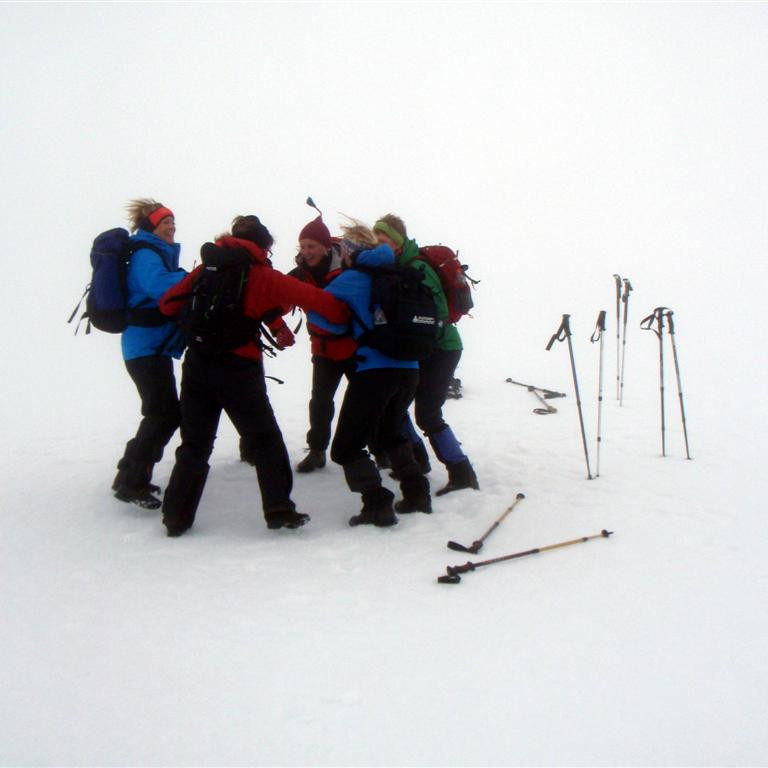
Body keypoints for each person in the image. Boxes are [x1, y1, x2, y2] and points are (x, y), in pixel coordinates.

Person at [157, 215, 351, 537]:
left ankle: (176, 516)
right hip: (238, 370)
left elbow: (167, 304)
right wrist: (348, 315)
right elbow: (322, 303)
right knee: (266, 441)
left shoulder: (205, 270)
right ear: (263, 246)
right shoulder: (262, 275)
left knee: (194, 444)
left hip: (197, 366)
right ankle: (278, 510)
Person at [307, 224, 430, 527]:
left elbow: (320, 319)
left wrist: (349, 320)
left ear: (350, 251)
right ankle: (417, 494)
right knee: (390, 434)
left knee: (346, 446)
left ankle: (377, 503)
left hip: (375, 372)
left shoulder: (350, 279)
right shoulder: (399, 273)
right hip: (410, 370)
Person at [372, 214, 479, 497]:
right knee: (395, 406)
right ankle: (416, 461)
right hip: (420, 348)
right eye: (376, 242)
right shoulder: (396, 267)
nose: (379, 246)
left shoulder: (417, 266)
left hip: (442, 348)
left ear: (396, 241)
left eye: (383, 241)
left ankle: (462, 472)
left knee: (428, 414)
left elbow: (439, 313)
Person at [112, 199, 187, 509]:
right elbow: (159, 287)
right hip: (145, 348)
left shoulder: (153, 252)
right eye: (164, 222)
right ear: (151, 227)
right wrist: (193, 278)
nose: (171, 226)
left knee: (161, 412)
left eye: (172, 221)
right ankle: (132, 481)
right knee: (163, 414)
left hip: (149, 347)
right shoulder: (146, 253)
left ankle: (129, 474)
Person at [288, 215, 358, 473]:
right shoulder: (300, 274)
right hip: (323, 349)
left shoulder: (349, 269)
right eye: (303, 247)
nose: (306, 252)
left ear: (325, 247)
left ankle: (380, 448)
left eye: (311, 246)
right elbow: (277, 294)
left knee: (363, 402)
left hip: (354, 348)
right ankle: (317, 451)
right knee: (320, 401)